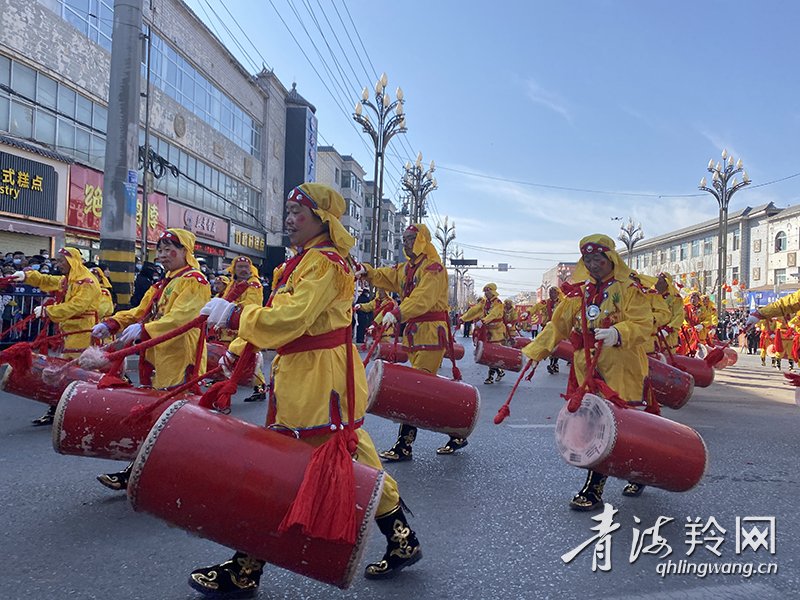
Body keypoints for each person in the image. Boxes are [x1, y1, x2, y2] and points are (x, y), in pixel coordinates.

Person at [192, 183, 421, 597]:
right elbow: (281, 316)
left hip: (318, 376)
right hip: (309, 371)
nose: (290, 217)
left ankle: (246, 570)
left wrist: (235, 315)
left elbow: (289, 318)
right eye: (289, 209)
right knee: (349, 453)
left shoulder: (323, 263)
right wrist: (240, 350)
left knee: (287, 464)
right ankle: (402, 538)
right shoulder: (306, 262)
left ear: (323, 219)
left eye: (299, 210)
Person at [521, 234, 654, 511]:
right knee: (597, 424)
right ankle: (635, 471)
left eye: (598, 259)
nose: (594, 265)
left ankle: (594, 488)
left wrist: (619, 332)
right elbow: (556, 327)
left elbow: (644, 323)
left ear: (611, 259)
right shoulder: (578, 294)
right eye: (589, 260)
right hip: (586, 367)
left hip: (619, 364)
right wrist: (536, 352)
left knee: (613, 424)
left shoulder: (629, 289)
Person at [91, 228, 210, 491]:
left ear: (185, 253)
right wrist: (113, 323)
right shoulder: (162, 283)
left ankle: (153, 471)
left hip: (179, 356)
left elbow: (182, 318)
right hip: (157, 354)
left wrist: (145, 330)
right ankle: (155, 470)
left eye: (171, 250)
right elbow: (140, 311)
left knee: (173, 415)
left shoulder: (195, 281)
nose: (165, 255)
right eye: (162, 250)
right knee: (164, 414)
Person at [360, 222, 468, 458]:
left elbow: (422, 298)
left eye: (409, 239)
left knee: (417, 389)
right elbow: (387, 275)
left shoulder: (434, 269)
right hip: (415, 332)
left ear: (420, 240)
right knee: (426, 390)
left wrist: (397, 312)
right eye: (404, 239)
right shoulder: (407, 268)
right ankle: (457, 431)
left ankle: (404, 445)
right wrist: (367, 272)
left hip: (430, 332)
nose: (405, 243)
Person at [11, 247, 102, 426]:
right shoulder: (69, 280)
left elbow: (77, 306)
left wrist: (48, 311)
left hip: (81, 333)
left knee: (77, 373)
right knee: (64, 372)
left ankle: (82, 411)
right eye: (57, 260)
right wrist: (28, 277)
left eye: (61, 261)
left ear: (72, 261)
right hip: (68, 333)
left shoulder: (86, 282)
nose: (58, 264)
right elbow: (49, 281)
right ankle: (58, 410)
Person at [219, 256, 267, 402]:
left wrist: (230, 310)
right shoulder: (233, 283)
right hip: (228, 329)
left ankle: (260, 389)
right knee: (226, 359)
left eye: (246, 267)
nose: (243, 269)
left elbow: (252, 305)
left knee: (249, 361)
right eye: (240, 267)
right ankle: (223, 389)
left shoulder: (254, 284)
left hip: (243, 328)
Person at [461, 283, 506, 384]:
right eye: (485, 291)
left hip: (496, 332)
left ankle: (490, 376)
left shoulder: (498, 303)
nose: (486, 293)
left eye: (488, 291)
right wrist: (463, 318)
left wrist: (483, 321)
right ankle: (499, 371)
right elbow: (474, 310)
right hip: (486, 330)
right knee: (489, 353)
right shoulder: (484, 301)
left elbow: (494, 314)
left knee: (493, 353)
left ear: (492, 292)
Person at [531, 286, 564, 373]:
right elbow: (536, 307)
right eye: (550, 292)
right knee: (549, 346)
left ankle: (554, 364)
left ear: (557, 293)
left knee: (556, 346)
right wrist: (528, 312)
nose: (551, 294)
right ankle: (553, 364)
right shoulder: (546, 302)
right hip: (548, 326)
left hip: (558, 328)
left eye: (553, 292)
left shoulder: (563, 302)